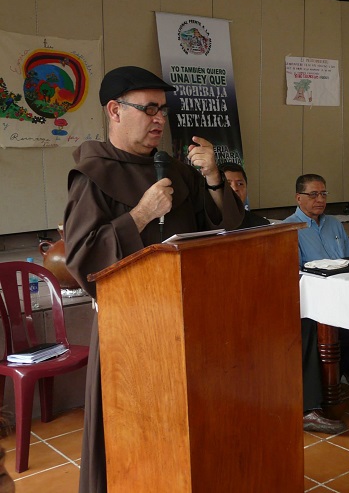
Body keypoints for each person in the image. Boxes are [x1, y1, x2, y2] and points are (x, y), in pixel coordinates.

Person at [63, 66, 245, 493]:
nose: (159, 119)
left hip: (187, 320)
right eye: (148, 109)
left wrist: (215, 179)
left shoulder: (178, 173)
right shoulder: (93, 174)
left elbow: (223, 230)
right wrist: (141, 214)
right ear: (115, 111)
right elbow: (82, 257)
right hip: (132, 329)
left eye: (162, 109)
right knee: (134, 439)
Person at [283, 175, 349, 392]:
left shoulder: (334, 224)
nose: (320, 199)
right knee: (342, 326)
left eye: (323, 194)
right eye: (313, 194)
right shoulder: (289, 228)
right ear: (298, 198)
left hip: (347, 287)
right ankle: (334, 371)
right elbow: (296, 273)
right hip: (317, 295)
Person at [220, 162, 270, 228]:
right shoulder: (207, 225)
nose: (235, 189)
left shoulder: (260, 224)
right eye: (228, 184)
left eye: (240, 184)